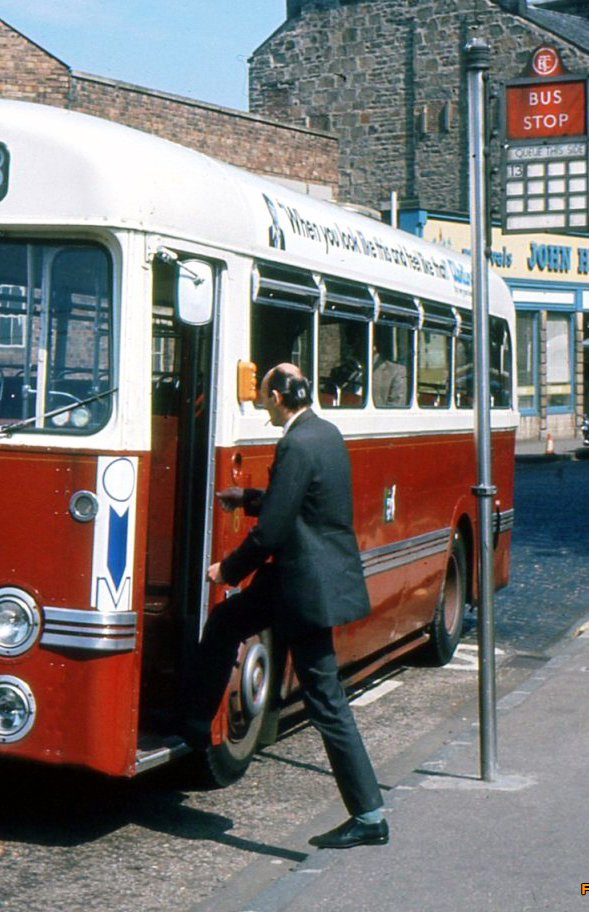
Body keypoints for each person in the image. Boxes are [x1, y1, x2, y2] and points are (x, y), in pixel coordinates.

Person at [193, 362, 388, 849]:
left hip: (305, 588)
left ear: (278, 397)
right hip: (299, 579)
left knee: (326, 700)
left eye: (263, 396)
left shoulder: (296, 444)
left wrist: (227, 571)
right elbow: (300, 500)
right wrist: (247, 497)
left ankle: (369, 815)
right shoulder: (325, 433)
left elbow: (273, 531)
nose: (262, 404)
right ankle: (194, 724)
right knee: (227, 621)